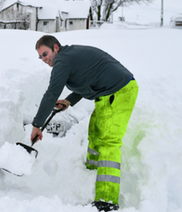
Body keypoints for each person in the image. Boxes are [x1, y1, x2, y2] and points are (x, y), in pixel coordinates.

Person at [31, 35, 138, 211]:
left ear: (55, 48)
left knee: (107, 141)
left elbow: (51, 93)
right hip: (109, 93)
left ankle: (107, 200)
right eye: (40, 56)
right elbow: (88, 78)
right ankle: (92, 170)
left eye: (45, 53)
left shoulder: (63, 61)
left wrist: (37, 125)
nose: (43, 59)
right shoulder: (70, 56)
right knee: (95, 131)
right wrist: (69, 101)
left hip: (119, 92)